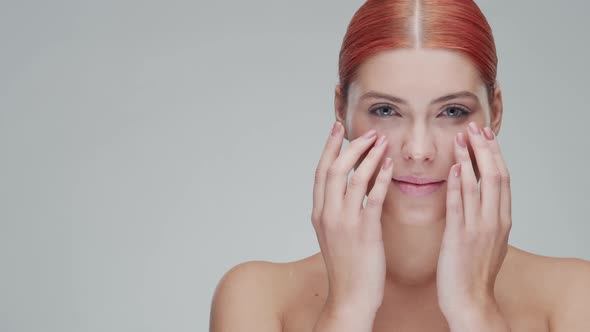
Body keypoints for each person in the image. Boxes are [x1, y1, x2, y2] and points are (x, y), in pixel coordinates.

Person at [209, 1, 590, 331]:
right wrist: (347, 309)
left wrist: (475, 311)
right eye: (386, 110)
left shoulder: (575, 297)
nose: (419, 150)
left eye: (452, 111)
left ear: (497, 112)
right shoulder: (257, 299)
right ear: (341, 110)